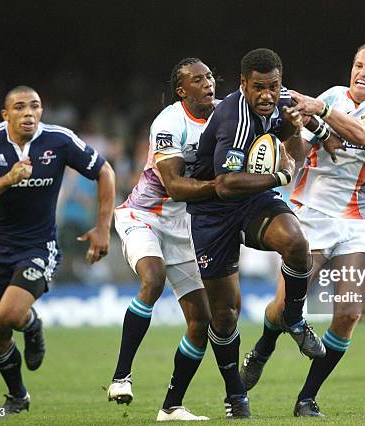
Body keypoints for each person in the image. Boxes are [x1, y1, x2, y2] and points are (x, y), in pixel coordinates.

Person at [241, 42, 365, 417]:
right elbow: (302, 150)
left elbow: (363, 136)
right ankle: (264, 347)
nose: (362, 73)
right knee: (284, 308)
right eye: (358, 64)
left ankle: (307, 398)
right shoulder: (332, 95)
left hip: (359, 224)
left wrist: (321, 110)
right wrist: (299, 127)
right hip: (309, 215)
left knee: (348, 312)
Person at [187, 48, 325, 419]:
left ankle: (293, 318)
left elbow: (295, 154)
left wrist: (295, 127)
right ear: (244, 84)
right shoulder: (233, 117)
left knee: (296, 243)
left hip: (253, 200)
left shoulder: (282, 102)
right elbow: (226, 184)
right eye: (258, 87)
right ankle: (236, 396)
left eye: (273, 86)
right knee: (227, 313)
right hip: (214, 211)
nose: (267, 94)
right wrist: (279, 177)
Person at [0, 86, 115, 413]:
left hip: (39, 245)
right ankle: (18, 396)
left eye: (35, 106)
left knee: (12, 313)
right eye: (19, 107)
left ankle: (31, 325)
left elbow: (105, 171)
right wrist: (7, 180)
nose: (28, 113)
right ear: (6, 115)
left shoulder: (59, 140)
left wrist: (103, 228)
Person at [107, 58, 216, 421]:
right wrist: (224, 186)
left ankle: (171, 406)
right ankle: (121, 376)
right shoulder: (169, 122)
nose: (208, 84)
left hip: (185, 228)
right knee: (152, 279)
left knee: (202, 320)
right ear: (182, 90)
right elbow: (173, 185)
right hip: (145, 216)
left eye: (210, 77)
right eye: (198, 80)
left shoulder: (226, 116)